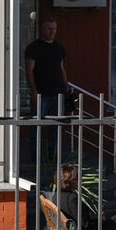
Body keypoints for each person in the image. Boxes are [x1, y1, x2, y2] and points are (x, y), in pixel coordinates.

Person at [23, 17, 69, 176]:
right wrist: (33, 90)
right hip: (41, 94)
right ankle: (35, 159)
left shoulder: (58, 47)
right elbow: (29, 69)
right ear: (43, 29)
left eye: (54, 28)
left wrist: (66, 86)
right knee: (36, 126)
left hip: (57, 94)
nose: (52, 31)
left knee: (55, 127)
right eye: (49, 28)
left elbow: (61, 68)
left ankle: (52, 158)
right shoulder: (34, 48)